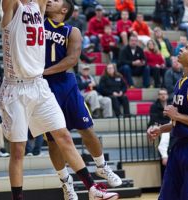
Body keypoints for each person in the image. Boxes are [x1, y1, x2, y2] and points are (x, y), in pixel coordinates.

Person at [0, 0, 119, 200]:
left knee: (64, 137)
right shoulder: (12, 8)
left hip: (40, 85)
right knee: (18, 150)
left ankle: (93, 189)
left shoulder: (39, 8)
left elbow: (73, 58)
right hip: (16, 87)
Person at [45, 1, 121, 199]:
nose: (49, 1)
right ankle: (65, 182)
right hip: (43, 89)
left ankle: (102, 166)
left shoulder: (72, 31)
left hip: (65, 84)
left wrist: (43, 71)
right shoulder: (37, 23)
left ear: (64, 10)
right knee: (53, 142)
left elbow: (72, 60)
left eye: (56, 0)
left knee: (86, 128)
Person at [147, 41, 188, 199]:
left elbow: (179, 117)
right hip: (179, 146)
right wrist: (161, 129)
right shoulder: (181, 82)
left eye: (187, 48)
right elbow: (180, 121)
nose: (181, 49)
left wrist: (177, 116)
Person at [146, 88, 171, 178]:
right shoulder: (154, 106)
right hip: (161, 128)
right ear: (158, 96)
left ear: (167, 95)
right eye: (161, 94)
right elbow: (154, 119)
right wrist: (164, 126)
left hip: (169, 127)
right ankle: (164, 156)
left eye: (164, 94)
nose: (163, 95)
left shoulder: (171, 104)